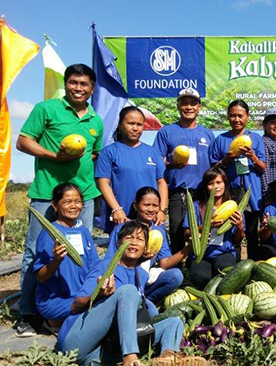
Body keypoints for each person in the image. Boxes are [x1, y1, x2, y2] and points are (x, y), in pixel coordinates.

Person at [16, 64, 104, 337]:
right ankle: (28, 312)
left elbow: (93, 154)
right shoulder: (46, 109)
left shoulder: (95, 120)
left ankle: (72, 304)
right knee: (35, 253)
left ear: (92, 88)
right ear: (66, 84)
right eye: (74, 82)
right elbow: (22, 142)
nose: (79, 88)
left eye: (85, 84)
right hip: (47, 194)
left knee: (82, 253)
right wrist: (55, 157)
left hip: (84, 196)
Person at [59, 221, 205, 366]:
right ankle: (130, 358)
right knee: (128, 291)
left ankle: (168, 356)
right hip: (78, 343)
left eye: (140, 239)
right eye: (129, 238)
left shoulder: (140, 274)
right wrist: (100, 295)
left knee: (174, 322)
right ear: (118, 242)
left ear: (146, 248)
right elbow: (75, 306)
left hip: (104, 352)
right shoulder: (105, 266)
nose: (134, 242)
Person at [153, 88, 215, 255]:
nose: (189, 107)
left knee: (203, 231)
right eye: (184, 103)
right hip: (178, 193)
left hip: (203, 193)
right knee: (177, 232)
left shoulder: (207, 134)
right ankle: (178, 274)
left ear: (199, 107)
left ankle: (199, 268)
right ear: (178, 106)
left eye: (193, 103)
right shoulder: (166, 132)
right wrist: (170, 163)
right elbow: (157, 162)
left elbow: (214, 166)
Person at [33, 183, 100, 335]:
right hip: (57, 301)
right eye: (67, 202)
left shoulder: (83, 230)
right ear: (55, 205)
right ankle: (55, 322)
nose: (74, 206)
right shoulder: (48, 236)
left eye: (77, 201)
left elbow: (94, 265)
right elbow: (41, 277)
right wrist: (56, 260)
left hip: (82, 294)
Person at [95, 106, 168, 234]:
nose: (135, 128)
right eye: (131, 123)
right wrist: (116, 209)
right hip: (122, 218)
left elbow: (161, 182)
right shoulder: (109, 152)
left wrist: (161, 210)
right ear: (120, 125)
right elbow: (103, 183)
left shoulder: (153, 152)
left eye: (139, 124)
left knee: (153, 252)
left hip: (151, 219)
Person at [105, 187, 183, 306]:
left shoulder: (159, 232)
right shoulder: (122, 229)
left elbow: (165, 263)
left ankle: (146, 301)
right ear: (136, 205)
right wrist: (139, 259)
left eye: (155, 205)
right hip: (123, 279)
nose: (151, 209)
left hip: (144, 280)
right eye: (146, 205)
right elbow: (110, 260)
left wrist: (190, 247)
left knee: (176, 276)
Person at [209, 100, 266, 260]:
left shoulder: (255, 139)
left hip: (252, 195)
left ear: (247, 117)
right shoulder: (221, 139)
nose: (236, 119)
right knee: (232, 230)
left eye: (240, 115)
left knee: (253, 234)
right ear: (228, 117)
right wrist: (226, 160)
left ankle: (254, 266)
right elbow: (213, 168)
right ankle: (233, 266)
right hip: (230, 195)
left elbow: (263, 167)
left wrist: (252, 156)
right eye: (233, 115)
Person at [183, 166, 243, 289]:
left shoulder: (233, 208)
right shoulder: (196, 206)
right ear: (206, 186)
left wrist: (240, 227)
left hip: (223, 253)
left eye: (219, 182)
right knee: (201, 276)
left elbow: (237, 240)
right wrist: (206, 226)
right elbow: (187, 234)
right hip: (200, 254)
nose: (215, 187)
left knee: (227, 270)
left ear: (225, 184)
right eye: (211, 183)